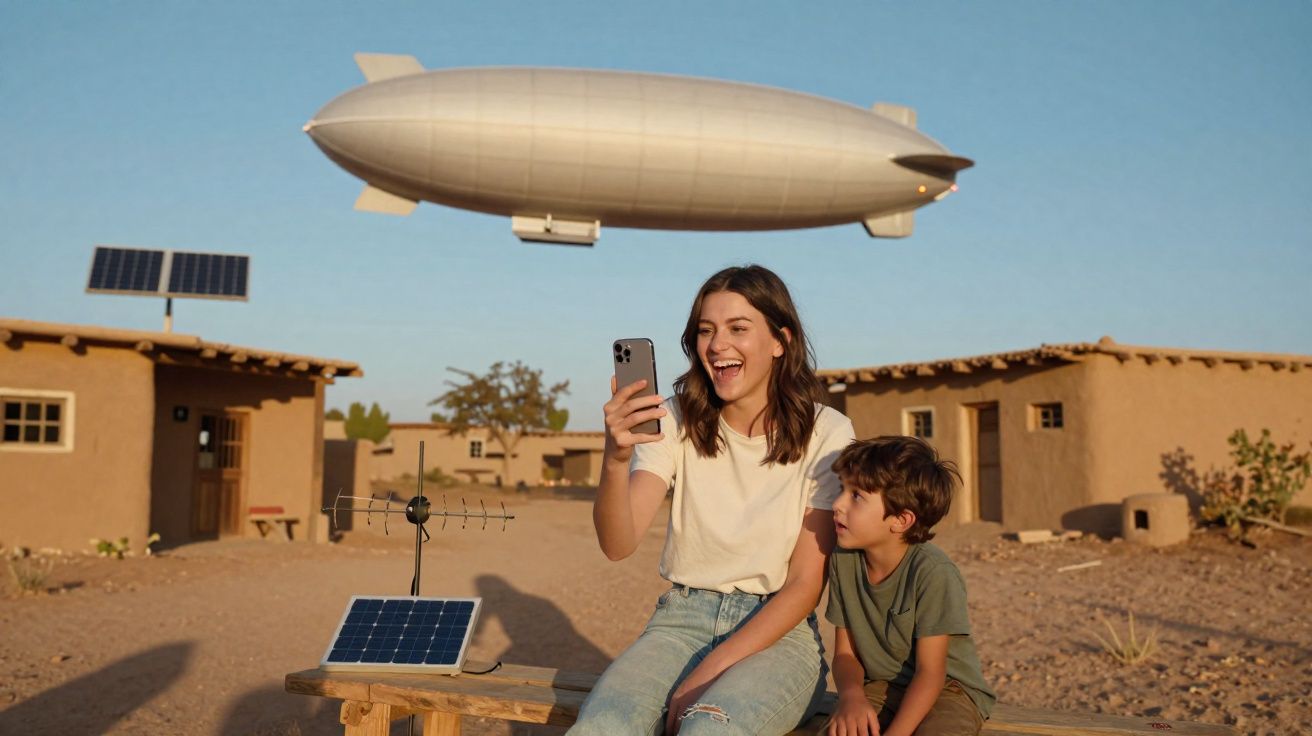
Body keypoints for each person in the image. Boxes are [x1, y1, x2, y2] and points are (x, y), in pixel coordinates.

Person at [569, 265, 854, 735]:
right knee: (603, 725)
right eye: (706, 331)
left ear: (779, 340)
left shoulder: (828, 432)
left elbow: (805, 585)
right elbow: (617, 544)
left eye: (738, 328)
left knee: (708, 727)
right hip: (680, 621)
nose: (717, 344)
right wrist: (616, 459)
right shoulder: (676, 419)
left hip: (777, 634)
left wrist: (707, 673)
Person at [824, 436, 996, 736]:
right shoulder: (844, 558)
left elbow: (931, 673)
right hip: (881, 686)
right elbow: (845, 654)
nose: (837, 504)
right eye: (842, 489)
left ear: (901, 520)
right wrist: (851, 698)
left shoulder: (933, 573)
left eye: (857, 496)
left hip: (948, 689)